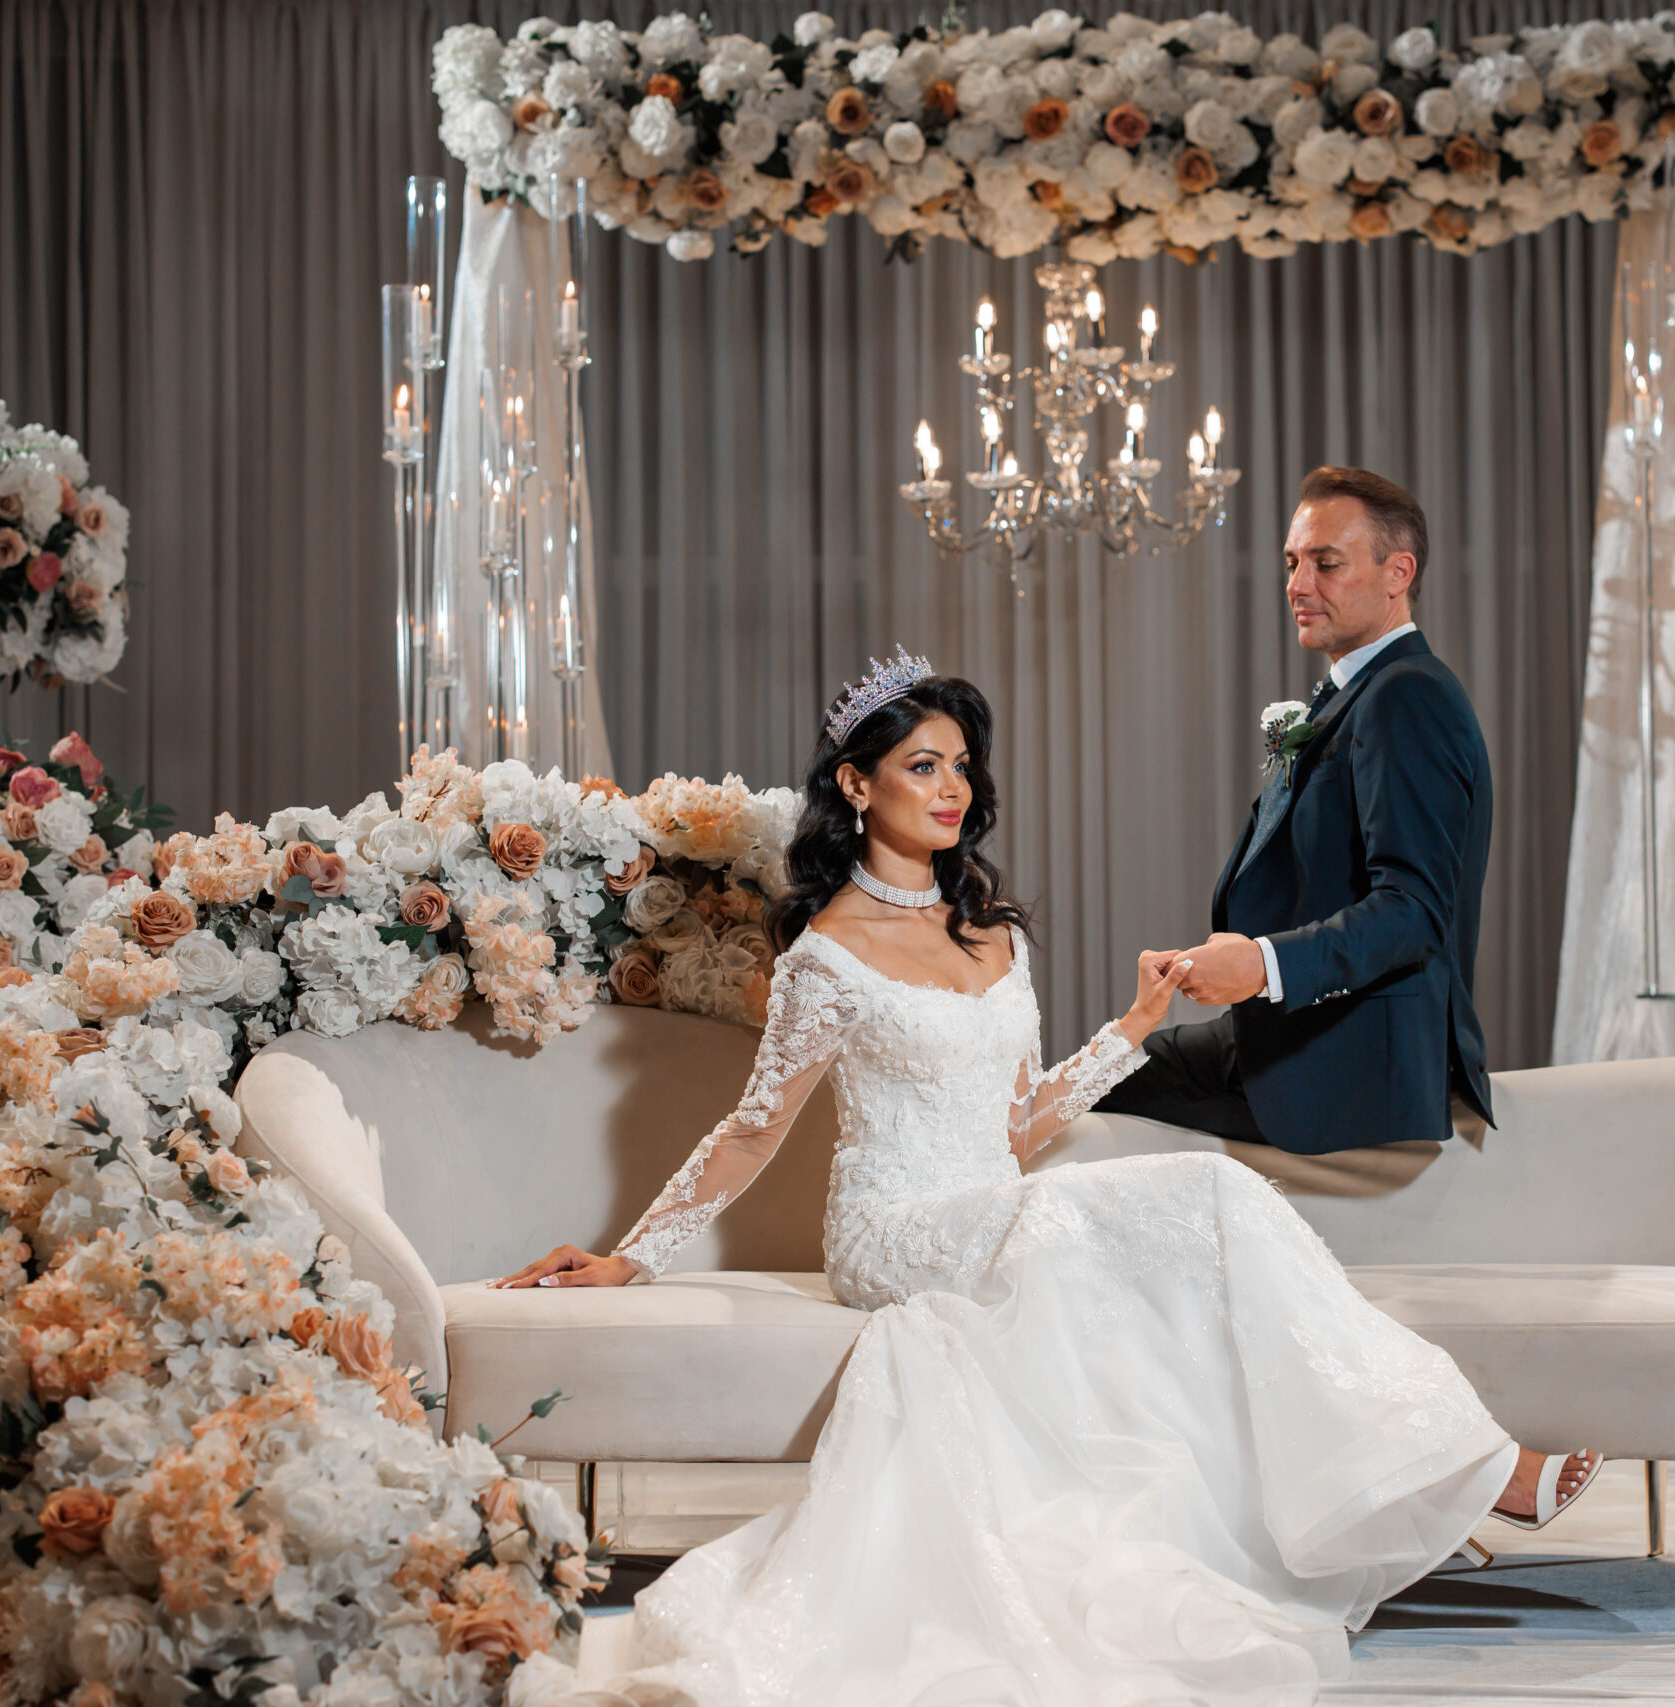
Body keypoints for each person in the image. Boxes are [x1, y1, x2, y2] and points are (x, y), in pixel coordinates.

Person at [498, 656, 1600, 1704]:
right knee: (1196, 1199)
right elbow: (752, 1129)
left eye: (960, 764)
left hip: (995, 1200)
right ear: (854, 782)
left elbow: (1018, 1126)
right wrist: (627, 1258)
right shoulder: (824, 956)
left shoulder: (994, 936)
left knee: (1186, 1225)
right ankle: (1460, 1467)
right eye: (921, 763)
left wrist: (1134, 1028)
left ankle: (1411, 1471)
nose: (951, 786)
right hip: (894, 1229)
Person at [1102, 465, 1495, 1156]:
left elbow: (1413, 911)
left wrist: (1261, 964)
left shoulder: (1408, 696)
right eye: (1292, 562)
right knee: (1089, 1074)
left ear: (1397, 572)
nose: (1297, 585)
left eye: (1326, 563)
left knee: (1085, 1094)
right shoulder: (1356, 691)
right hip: (1286, 1031)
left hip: (1349, 1067)